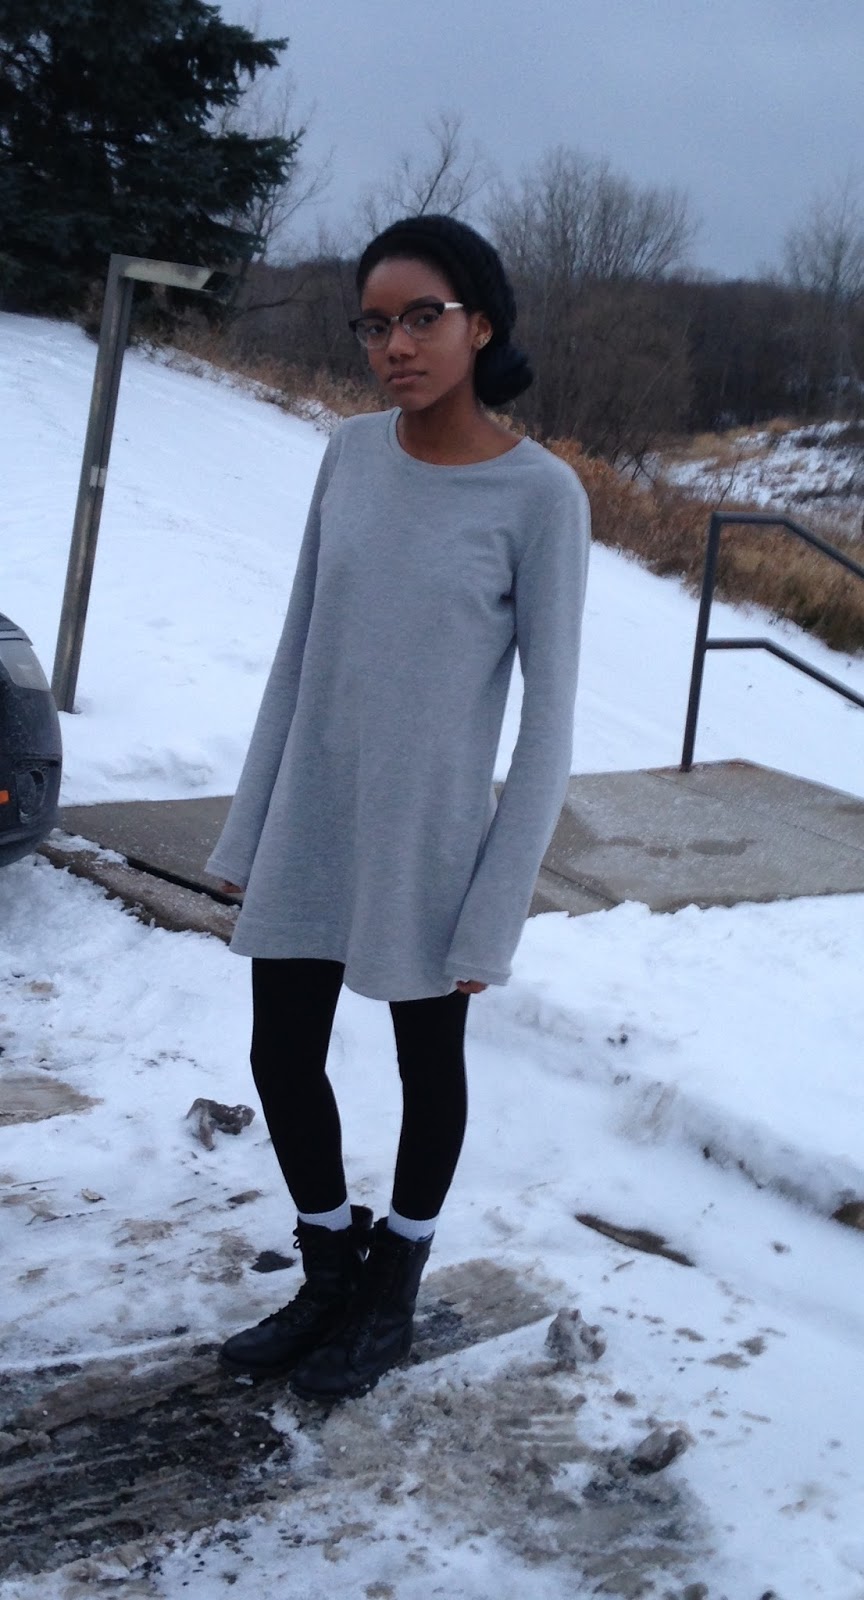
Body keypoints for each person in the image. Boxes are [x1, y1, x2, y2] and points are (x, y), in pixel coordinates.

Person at [205, 214, 591, 1402]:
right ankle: (331, 1265)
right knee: (280, 1052)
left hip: (431, 841)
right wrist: (250, 825)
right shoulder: (351, 454)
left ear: (483, 325)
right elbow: (297, 650)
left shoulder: (542, 496)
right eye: (374, 325)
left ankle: (395, 1285)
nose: (396, 347)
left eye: (423, 318)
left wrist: (496, 907)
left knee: (430, 1065)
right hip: (315, 814)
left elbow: (550, 725)